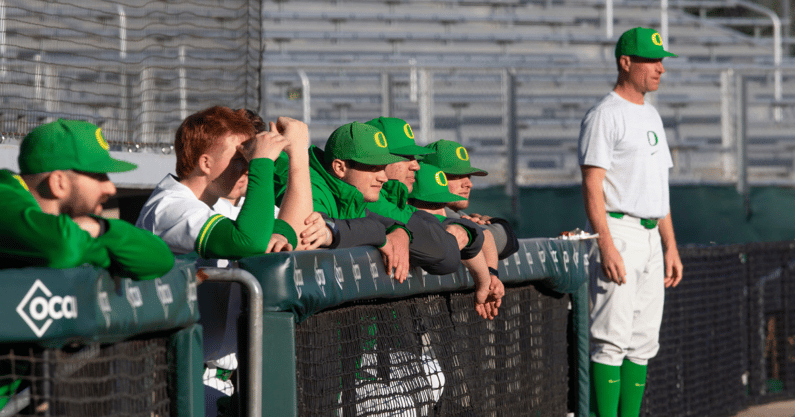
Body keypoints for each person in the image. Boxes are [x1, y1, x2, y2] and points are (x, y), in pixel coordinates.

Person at [135, 106, 315, 415]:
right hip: (173, 381)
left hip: (217, 379)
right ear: (205, 162)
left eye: (247, 160)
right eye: (238, 160)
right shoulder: (169, 208)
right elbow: (247, 241)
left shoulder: (216, 206)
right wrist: (261, 162)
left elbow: (293, 232)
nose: (245, 168)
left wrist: (299, 155)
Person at [0, 119, 175, 411]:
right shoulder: (4, 195)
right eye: (98, 174)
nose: (110, 186)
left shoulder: (69, 225)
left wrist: (97, 228)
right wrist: (96, 247)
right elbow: (62, 247)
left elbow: (159, 257)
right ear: (58, 182)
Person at [578, 27, 683, 417]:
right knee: (610, 340)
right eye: (652, 61)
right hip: (618, 231)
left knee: (642, 342)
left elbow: (660, 186)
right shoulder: (604, 115)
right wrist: (605, 243)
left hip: (651, 234)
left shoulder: (651, 114)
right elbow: (592, 185)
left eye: (661, 61)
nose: (660, 69)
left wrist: (670, 244)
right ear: (626, 62)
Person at [274, 121, 412, 282]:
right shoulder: (314, 187)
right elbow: (305, 237)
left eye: (383, 168)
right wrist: (377, 233)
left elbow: (376, 222)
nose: (383, 178)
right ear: (339, 168)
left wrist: (401, 232)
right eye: (373, 167)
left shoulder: (353, 193)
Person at [363, 117, 480, 276]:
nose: (416, 165)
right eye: (406, 157)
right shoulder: (372, 202)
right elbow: (444, 254)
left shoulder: (396, 200)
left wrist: (466, 228)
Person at [407, 162, 505, 320]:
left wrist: (489, 278)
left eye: (443, 204)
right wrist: (484, 281)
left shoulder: (440, 218)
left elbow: (485, 235)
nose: (441, 212)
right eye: (432, 205)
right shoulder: (402, 217)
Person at [423, 139, 520, 260]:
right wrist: (497, 223)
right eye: (456, 176)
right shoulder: (433, 211)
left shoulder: (456, 213)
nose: (469, 184)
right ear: (430, 178)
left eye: (468, 176)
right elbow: (504, 242)